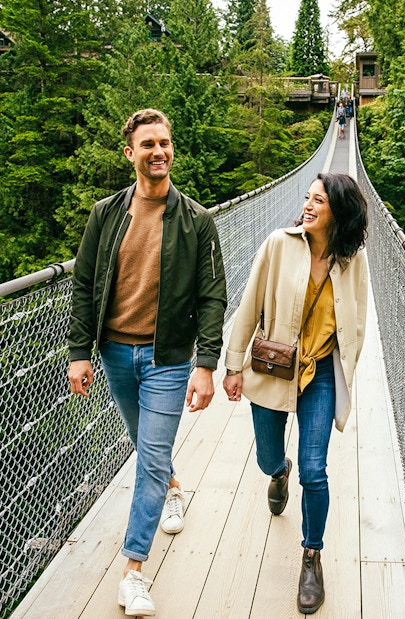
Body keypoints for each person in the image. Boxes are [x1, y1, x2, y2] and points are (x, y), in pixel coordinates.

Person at [68, 108, 227, 616]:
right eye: (148, 144)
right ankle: (174, 488)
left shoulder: (197, 220)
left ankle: (132, 571)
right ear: (130, 153)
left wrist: (206, 363)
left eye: (165, 142)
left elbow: (212, 296)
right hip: (114, 351)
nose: (159, 151)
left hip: (169, 357)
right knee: (146, 446)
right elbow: (84, 285)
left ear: (171, 149)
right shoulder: (105, 214)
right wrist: (78, 353)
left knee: (150, 456)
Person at [223, 172, 368, 614]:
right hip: (272, 365)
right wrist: (233, 365)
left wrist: (346, 364)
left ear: (337, 211)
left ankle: (311, 556)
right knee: (270, 457)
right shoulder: (278, 244)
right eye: (306, 197)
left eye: (318, 200)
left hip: (321, 372)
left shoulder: (352, 259)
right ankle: (277, 471)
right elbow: (248, 304)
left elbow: (357, 317)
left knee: (315, 470)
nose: (307, 205)